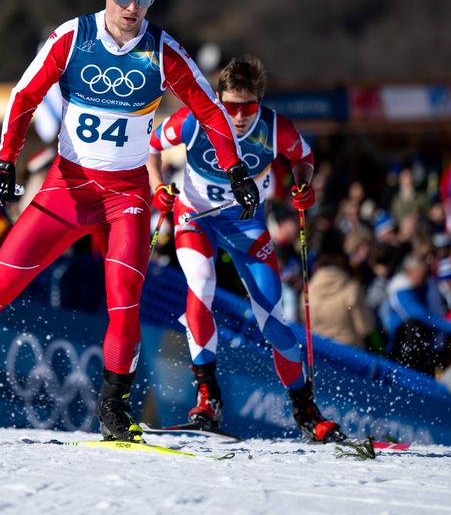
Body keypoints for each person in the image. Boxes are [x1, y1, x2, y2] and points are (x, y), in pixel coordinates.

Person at [0, 0, 258, 442]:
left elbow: (210, 110)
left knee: (124, 302)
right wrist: (4, 159)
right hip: (68, 188)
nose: (132, 7)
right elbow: (24, 95)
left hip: (126, 197)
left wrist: (235, 169)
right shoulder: (73, 37)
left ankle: (113, 407)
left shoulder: (163, 52)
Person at [145, 54, 345, 443]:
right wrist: (157, 187)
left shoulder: (274, 128)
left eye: (247, 107)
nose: (238, 116)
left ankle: (305, 410)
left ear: (260, 102)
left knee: (274, 322)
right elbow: (151, 145)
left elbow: (303, 158)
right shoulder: (195, 119)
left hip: (246, 225)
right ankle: (208, 398)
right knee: (200, 286)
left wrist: (303, 186)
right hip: (196, 218)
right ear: (218, 98)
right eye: (230, 106)